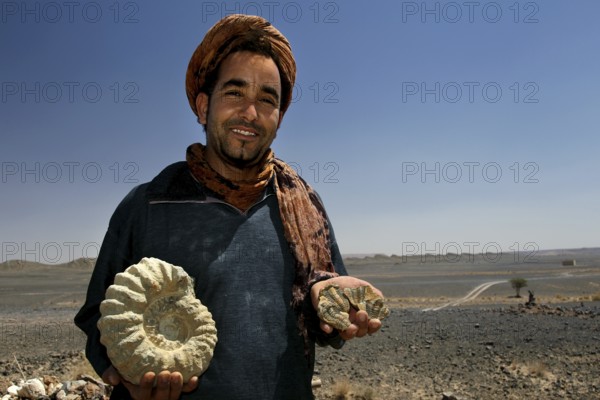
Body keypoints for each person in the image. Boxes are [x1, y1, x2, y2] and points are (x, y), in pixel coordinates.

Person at [74, 14, 383, 400]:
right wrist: (126, 375)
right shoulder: (148, 204)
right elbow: (96, 318)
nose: (250, 113)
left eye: (267, 100)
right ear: (204, 106)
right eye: (235, 93)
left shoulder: (303, 206)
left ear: (280, 118)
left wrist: (331, 304)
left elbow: (327, 309)